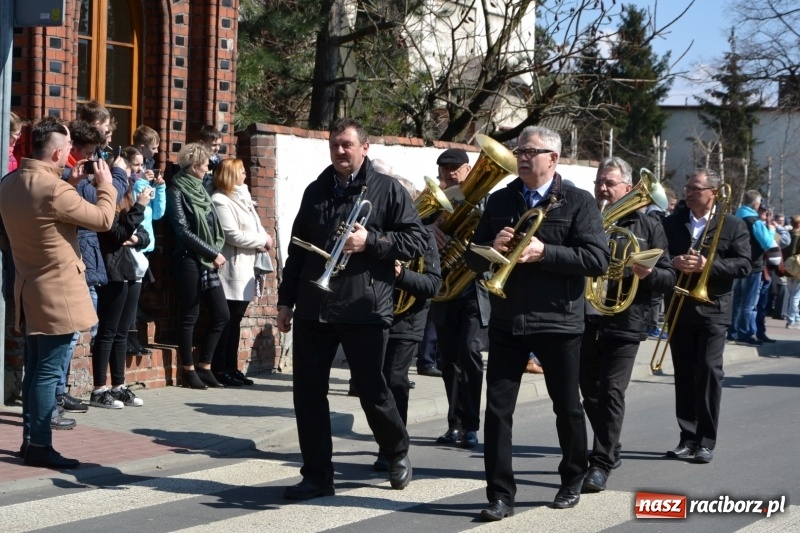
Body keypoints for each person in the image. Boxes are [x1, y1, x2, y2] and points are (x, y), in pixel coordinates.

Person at [276, 118, 427, 499]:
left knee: (372, 389)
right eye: (334, 145)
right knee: (307, 394)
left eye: (346, 144)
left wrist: (371, 240)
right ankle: (316, 476)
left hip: (364, 306)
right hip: (315, 306)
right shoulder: (315, 190)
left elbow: (416, 240)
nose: (340, 151)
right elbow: (297, 249)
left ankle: (396, 450)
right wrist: (285, 301)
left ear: (365, 147)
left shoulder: (388, 190)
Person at [465, 125, 609, 521]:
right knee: (496, 410)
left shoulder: (578, 202)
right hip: (508, 317)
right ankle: (500, 495)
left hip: (559, 320)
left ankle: (572, 478)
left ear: (553, 158)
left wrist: (546, 252)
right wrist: (489, 249)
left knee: (566, 406)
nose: (522, 156)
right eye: (519, 150)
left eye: (531, 151)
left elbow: (597, 259)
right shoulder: (499, 200)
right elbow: (472, 259)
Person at [0, 117, 117, 469]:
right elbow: (103, 220)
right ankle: (39, 445)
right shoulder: (55, 191)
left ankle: (31, 441)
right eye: (66, 151)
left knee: (36, 368)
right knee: (47, 372)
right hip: (58, 291)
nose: (70, 156)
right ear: (54, 154)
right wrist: (106, 185)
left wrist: (71, 181)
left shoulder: (9, 183)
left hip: (27, 285)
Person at [579, 157, 676, 493]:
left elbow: (669, 276)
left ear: (628, 188)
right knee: (588, 391)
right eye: (599, 182)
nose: (602, 189)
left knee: (610, 391)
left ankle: (600, 462)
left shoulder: (648, 226)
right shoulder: (585, 217)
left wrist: (649, 275)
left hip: (626, 319)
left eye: (609, 183)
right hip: (587, 316)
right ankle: (612, 446)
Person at [662, 169, 750, 464]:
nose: (688, 192)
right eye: (687, 188)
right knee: (684, 373)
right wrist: (673, 262)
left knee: (710, 372)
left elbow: (743, 265)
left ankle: (706, 440)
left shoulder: (733, 224)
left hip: (714, 308)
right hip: (680, 306)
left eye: (695, 189)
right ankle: (687, 437)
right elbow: (658, 256)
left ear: (713, 192)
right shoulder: (671, 222)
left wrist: (707, 265)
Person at [372, 175, 442, 471]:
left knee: (395, 379)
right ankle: (389, 443)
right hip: (377, 314)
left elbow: (433, 285)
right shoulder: (378, 233)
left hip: (408, 318)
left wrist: (401, 276)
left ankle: (393, 449)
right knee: (376, 383)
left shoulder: (423, 237)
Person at [427, 147, 490, 450]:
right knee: (448, 359)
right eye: (446, 168)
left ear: (468, 170)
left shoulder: (487, 201)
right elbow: (411, 232)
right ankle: (455, 424)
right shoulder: (431, 204)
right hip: (444, 289)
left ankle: (471, 426)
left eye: (457, 167)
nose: (451, 173)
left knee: (471, 353)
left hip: (474, 289)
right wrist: (430, 232)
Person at [91, 156, 154, 408]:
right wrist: (139, 207)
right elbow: (117, 233)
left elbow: (144, 234)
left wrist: (136, 238)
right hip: (112, 269)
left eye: (129, 174)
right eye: (125, 174)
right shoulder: (106, 198)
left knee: (122, 332)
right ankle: (98, 389)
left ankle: (118, 385)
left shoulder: (128, 197)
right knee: (107, 331)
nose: (129, 178)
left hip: (130, 269)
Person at [166, 143, 230, 390]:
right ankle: (188, 370)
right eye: (205, 166)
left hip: (206, 259)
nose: (208, 170)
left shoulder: (202, 190)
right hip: (188, 259)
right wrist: (212, 252)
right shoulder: (176, 191)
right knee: (189, 315)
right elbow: (182, 230)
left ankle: (205, 366)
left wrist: (213, 250)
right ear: (194, 167)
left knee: (221, 314)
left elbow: (211, 223)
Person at [211, 158, 273, 386]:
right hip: (233, 268)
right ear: (230, 175)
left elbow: (255, 225)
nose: (245, 176)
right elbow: (232, 235)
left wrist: (265, 236)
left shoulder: (243, 197)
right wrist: (261, 240)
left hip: (247, 268)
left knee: (235, 320)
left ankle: (232, 366)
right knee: (226, 320)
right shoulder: (220, 200)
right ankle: (220, 368)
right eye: (241, 172)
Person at [126, 145, 167, 355]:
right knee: (130, 298)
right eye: (136, 165)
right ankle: (129, 337)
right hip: (131, 246)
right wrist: (143, 181)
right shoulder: (128, 185)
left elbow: (158, 213)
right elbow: (134, 203)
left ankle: (133, 336)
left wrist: (160, 188)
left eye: (142, 165)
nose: (140, 169)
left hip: (145, 247)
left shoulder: (143, 184)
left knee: (138, 296)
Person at [728, 190, 775, 346]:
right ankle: (745, 333)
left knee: (737, 301)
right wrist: (771, 230)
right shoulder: (754, 221)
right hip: (753, 265)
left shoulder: (735, 216)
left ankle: (733, 332)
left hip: (737, 263)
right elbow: (767, 243)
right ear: (755, 203)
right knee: (749, 303)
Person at [783, 215, 800, 328]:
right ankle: (791, 320)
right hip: (798, 267)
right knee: (796, 296)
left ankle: (796, 318)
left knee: (791, 294)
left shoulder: (787, 235)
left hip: (788, 267)